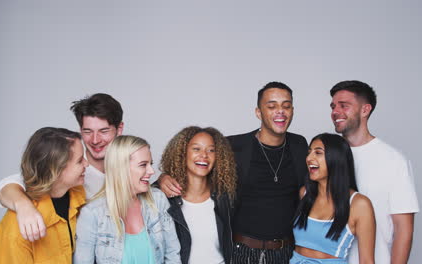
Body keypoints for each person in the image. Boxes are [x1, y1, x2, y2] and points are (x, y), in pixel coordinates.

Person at [160, 82, 308, 263]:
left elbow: (311, 186)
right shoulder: (235, 147)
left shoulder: (299, 145)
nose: (280, 111)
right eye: (272, 106)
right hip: (241, 252)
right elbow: (198, 167)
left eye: (286, 106)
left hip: (285, 253)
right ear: (258, 112)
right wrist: (163, 178)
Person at [0, 93, 124, 241]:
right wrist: (23, 205)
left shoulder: (130, 164)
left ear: (119, 129)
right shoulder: (67, 168)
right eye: (87, 131)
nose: (95, 140)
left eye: (104, 131)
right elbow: (9, 185)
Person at [330, 80, 419, 264]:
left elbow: (403, 229)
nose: (335, 112)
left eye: (343, 106)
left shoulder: (394, 161)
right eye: (333, 106)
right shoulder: (326, 157)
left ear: (365, 110)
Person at [73, 135, 181, 264]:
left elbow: (173, 254)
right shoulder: (92, 214)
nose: (151, 171)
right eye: (143, 165)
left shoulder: (158, 199)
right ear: (120, 168)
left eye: (150, 164)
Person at [0, 127, 88, 263]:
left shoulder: (80, 198)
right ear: (57, 169)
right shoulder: (17, 227)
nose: (86, 164)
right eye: (80, 160)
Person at [291, 133, 375, 264]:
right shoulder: (304, 194)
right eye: (309, 152)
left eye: (318, 153)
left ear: (336, 158)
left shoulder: (359, 204)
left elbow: (367, 261)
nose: (309, 158)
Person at [160, 126, 236, 264]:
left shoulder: (224, 197)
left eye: (211, 150)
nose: (204, 155)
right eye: (196, 149)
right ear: (182, 153)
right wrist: (161, 179)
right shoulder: (163, 198)